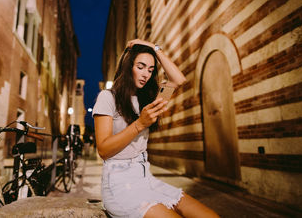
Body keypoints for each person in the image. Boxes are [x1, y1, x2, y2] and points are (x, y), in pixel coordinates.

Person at [92, 39, 219, 218]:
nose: (146, 74)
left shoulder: (150, 98)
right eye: (141, 67)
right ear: (128, 66)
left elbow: (178, 79)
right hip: (120, 186)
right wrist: (140, 124)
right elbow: (103, 150)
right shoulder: (108, 97)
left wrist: (154, 48)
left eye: (151, 70)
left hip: (146, 180)